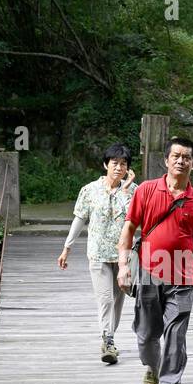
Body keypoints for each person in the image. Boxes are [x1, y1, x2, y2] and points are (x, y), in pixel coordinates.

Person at [116, 137, 193, 384]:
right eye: (176, 156)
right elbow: (128, 230)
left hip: (183, 278)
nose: (181, 161)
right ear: (166, 160)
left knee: (176, 334)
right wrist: (124, 266)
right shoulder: (146, 191)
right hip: (148, 273)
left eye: (187, 157)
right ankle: (152, 366)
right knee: (146, 333)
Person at [58, 143, 138, 364]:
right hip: (98, 254)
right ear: (105, 164)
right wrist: (67, 247)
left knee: (118, 301)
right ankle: (108, 339)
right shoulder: (89, 190)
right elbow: (79, 219)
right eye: (115, 163)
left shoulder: (134, 191)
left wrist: (127, 189)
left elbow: (137, 219)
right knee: (105, 299)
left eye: (123, 164)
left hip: (123, 257)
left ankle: (110, 338)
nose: (119, 168)